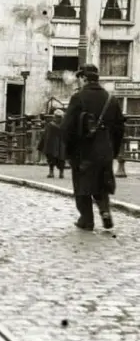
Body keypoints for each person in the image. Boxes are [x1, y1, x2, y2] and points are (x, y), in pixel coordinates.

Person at [61, 64, 125, 231]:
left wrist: (68, 151)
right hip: (105, 149)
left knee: (82, 185)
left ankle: (86, 219)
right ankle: (105, 211)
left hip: (83, 150)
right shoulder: (111, 99)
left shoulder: (78, 98)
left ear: (83, 78)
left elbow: (67, 127)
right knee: (102, 183)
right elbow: (119, 128)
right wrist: (114, 150)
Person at [37, 109, 66, 179]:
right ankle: (60, 173)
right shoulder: (63, 125)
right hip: (59, 145)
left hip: (53, 146)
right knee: (60, 159)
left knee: (53, 159)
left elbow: (45, 136)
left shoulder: (51, 125)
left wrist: (42, 145)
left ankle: (53, 172)